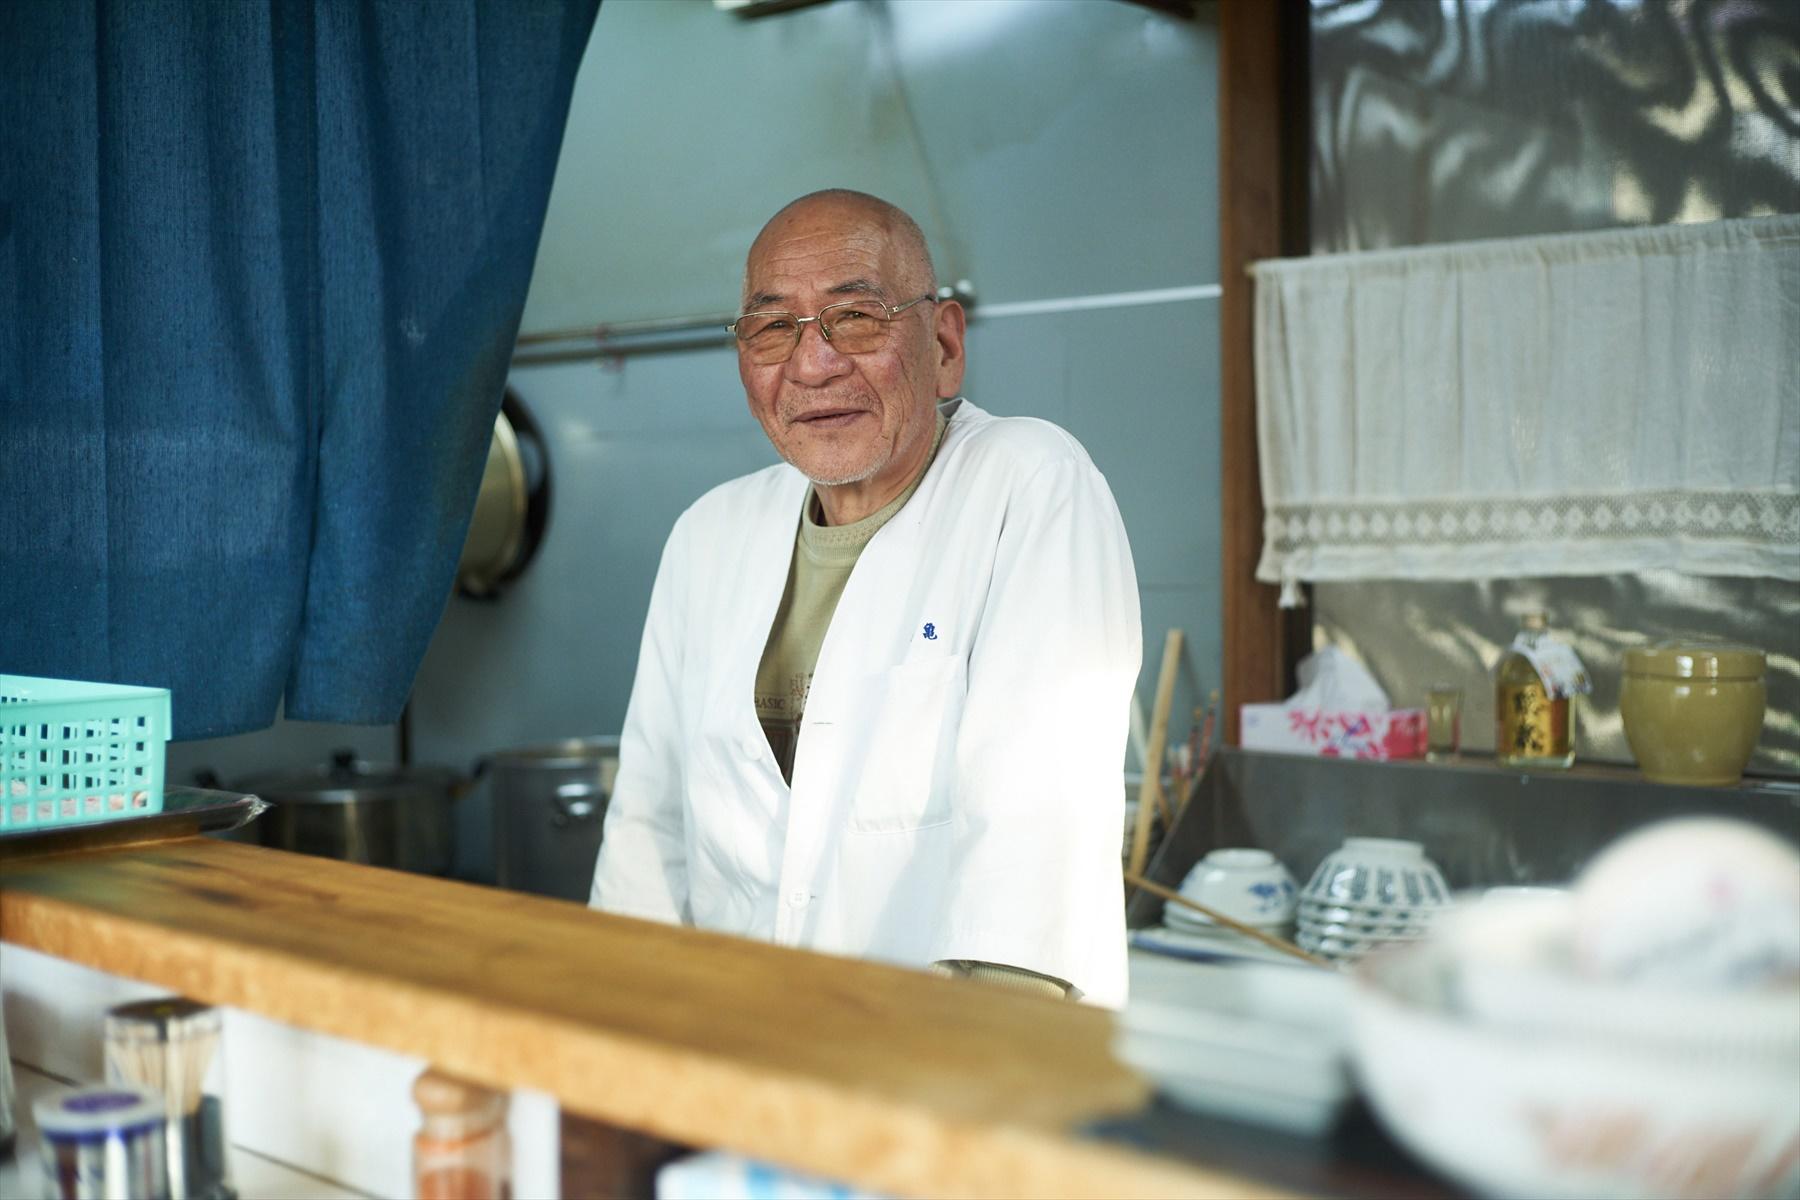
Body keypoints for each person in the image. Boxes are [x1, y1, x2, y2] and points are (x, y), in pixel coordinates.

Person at [589, 190, 1140, 1006]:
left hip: (944, 1068)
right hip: (735, 1050)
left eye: (856, 317)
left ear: (945, 344)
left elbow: (1031, 839)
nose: (813, 365)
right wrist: (615, 1042)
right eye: (774, 328)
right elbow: (649, 827)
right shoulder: (708, 535)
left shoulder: (1027, 483)